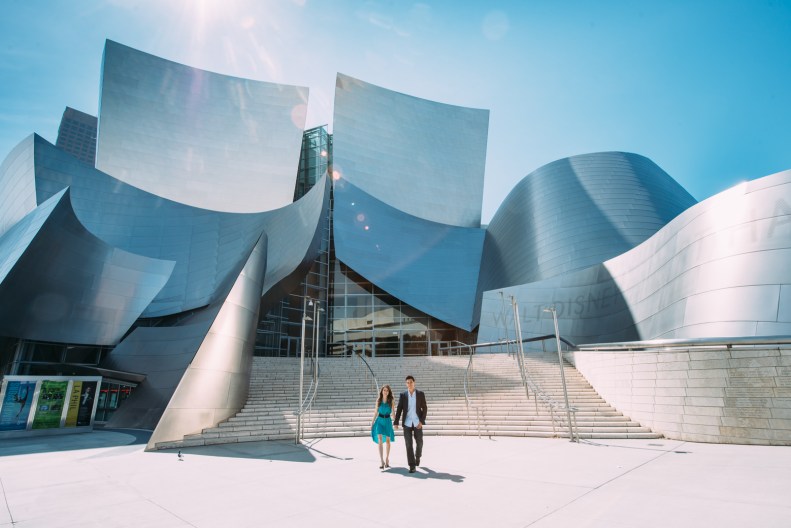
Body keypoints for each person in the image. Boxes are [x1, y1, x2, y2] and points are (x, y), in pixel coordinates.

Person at [394, 375, 428, 473]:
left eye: (411, 382)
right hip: (407, 423)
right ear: (406, 384)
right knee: (408, 444)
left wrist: (421, 421)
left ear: (414, 382)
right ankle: (412, 465)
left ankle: (418, 456)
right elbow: (399, 409)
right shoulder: (403, 395)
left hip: (417, 422)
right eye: (407, 382)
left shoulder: (420, 394)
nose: (409, 384)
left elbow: (425, 408)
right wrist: (396, 422)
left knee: (420, 442)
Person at [371, 384, 395, 469]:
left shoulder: (391, 400)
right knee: (380, 439)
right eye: (384, 390)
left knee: (388, 441)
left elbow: (393, 412)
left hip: (388, 421)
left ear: (389, 392)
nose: (385, 392)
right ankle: (381, 461)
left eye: (387, 390)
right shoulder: (378, 400)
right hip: (379, 421)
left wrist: (395, 422)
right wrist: (372, 422)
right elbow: (375, 412)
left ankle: (387, 458)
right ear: (382, 391)